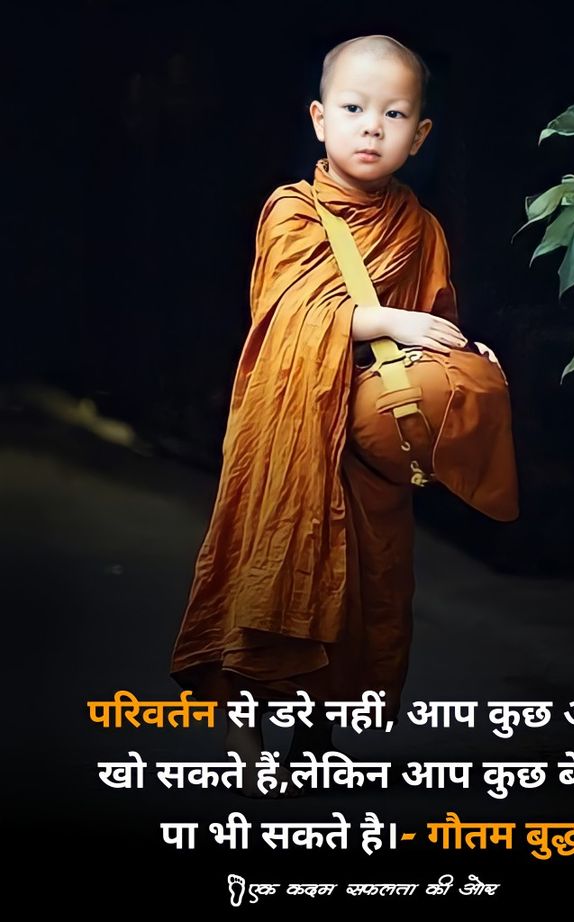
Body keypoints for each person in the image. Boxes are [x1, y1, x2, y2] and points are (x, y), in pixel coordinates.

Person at [169, 34, 514, 797]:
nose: (371, 127)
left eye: (394, 114)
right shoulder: (292, 210)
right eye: (355, 109)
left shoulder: (420, 227)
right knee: (278, 561)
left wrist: (462, 351)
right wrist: (391, 321)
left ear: (420, 136)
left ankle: (317, 729)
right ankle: (244, 717)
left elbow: (430, 321)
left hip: (367, 441)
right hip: (290, 424)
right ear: (320, 120)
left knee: (361, 583)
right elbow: (289, 310)